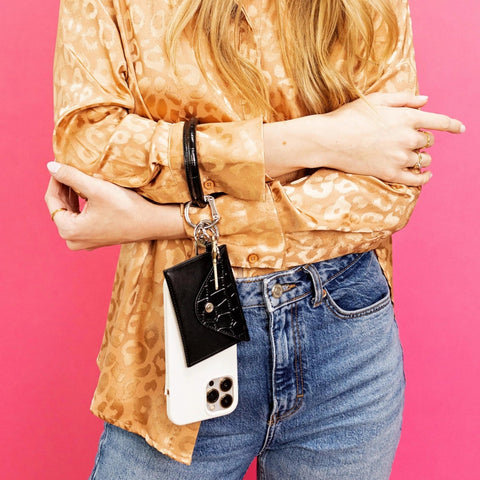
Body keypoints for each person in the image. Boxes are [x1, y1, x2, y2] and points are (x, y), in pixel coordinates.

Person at [45, 0, 464, 478]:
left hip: (346, 336)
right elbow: (91, 150)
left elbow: (388, 190)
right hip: (182, 324)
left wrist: (170, 219)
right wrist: (322, 139)